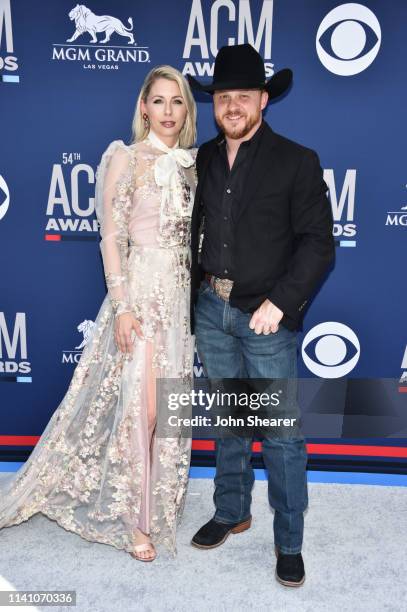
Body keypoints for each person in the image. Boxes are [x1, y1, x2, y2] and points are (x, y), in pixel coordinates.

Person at [0, 65, 197, 562]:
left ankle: (153, 508)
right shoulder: (125, 159)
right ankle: (133, 521)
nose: (168, 112)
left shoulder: (195, 165)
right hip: (140, 295)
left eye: (177, 102)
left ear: (187, 110)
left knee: (165, 411)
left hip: (179, 300)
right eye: (159, 101)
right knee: (141, 408)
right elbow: (112, 237)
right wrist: (123, 308)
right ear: (144, 107)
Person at [187, 44, 335, 586]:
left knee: (281, 435)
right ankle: (231, 510)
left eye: (243, 97)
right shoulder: (202, 157)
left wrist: (281, 301)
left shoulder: (297, 161)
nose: (232, 106)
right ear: (215, 103)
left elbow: (319, 243)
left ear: (263, 100)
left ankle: (290, 540)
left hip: (265, 318)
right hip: (212, 311)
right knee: (229, 424)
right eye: (223, 97)